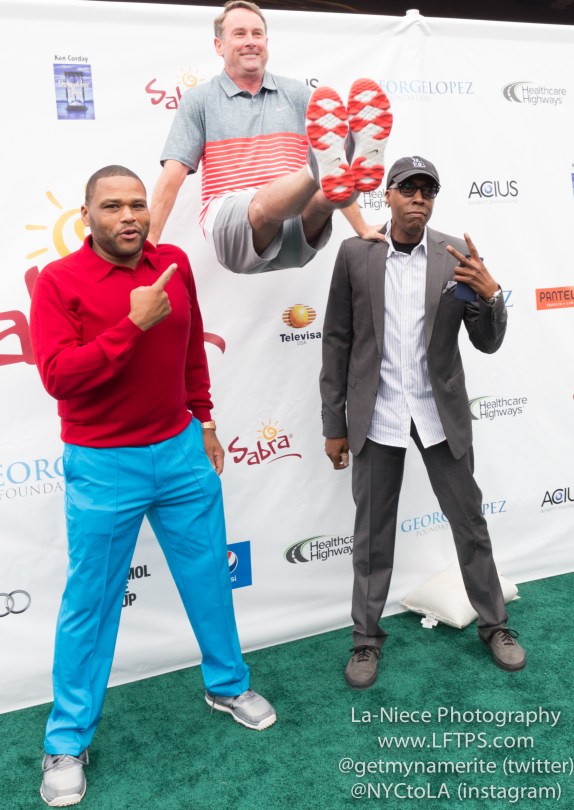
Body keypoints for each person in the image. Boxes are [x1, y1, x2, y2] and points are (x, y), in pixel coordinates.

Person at [30, 165, 275, 807]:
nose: (130, 216)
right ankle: (66, 738)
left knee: (207, 577)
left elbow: (193, 348)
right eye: (113, 207)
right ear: (88, 216)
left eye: (138, 204)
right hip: (104, 463)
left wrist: (206, 421)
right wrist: (131, 326)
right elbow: (59, 377)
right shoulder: (59, 282)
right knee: (92, 602)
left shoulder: (172, 266)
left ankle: (226, 683)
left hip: (180, 452)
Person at [319, 155, 526, 690]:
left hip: (439, 411)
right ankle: (366, 640)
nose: (418, 198)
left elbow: (486, 341)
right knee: (371, 534)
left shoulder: (454, 253)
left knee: (470, 522)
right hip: (376, 410)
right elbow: (337, 340)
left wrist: (491, 293)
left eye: (427, 191)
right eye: (407, 189)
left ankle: (495, 625)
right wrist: (333, 423)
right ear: (386, 196)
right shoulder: (355, 254)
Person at [149, 0, 393, 273]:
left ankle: (342, 157)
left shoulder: (298, 95)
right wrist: (150, 241)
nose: (251, 41)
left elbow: (336, 174)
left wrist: (362, 227)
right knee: (265, 200)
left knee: (323, 199)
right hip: (231, 230)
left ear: (267, 41)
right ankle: (316, 170)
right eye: (239, 34)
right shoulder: (200, 100)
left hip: (297, 236)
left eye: (257, 34)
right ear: (219, 45)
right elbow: (173, 176)